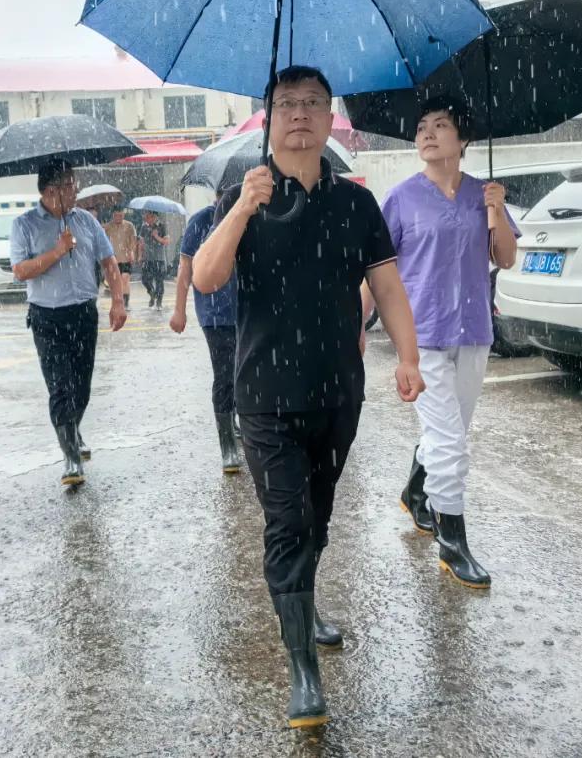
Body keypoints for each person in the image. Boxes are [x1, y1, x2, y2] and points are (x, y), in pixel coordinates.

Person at [192, 66, 425, 730]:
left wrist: (408, 356)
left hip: (337, 392)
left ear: (329, 120)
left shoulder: (355, 203)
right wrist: (243, 208)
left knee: (317, 518)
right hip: (264, 395)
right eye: (287, 103)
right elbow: (207, 278)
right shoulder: (244, 194)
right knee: (287, 523)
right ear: (269, 119)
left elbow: (387, 286)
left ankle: (305, 606)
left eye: (313, 104)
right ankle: (303, 670)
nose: (300, 113)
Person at [363, 95, 518, 590]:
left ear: (463, 138)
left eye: (441, 125)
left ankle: (415, 493)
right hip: (422, 335)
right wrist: (355, 326)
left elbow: (505, 258)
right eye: (422, 127)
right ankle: (453, 544)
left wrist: (496, 211)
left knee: (448, 433)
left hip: (473, 332)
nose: (427, 134)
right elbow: (377, 269)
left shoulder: (482, 194)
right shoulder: (402, 198)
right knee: (450, 442)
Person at [10, 160, 128, 487]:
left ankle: (72, 430)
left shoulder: (86, 221)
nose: (76, 191)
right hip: (47, 317)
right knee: (60, 386)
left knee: (81, 386)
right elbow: (20, 271)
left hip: (83, 314)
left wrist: (118, 301)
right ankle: (71, 457)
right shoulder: (24, 225)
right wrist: (58, 251)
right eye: (71, 185)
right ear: (52, 190)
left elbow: (109, 261)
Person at [170, 196, 243, 474]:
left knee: (244, 374)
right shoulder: (202, 221)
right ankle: (227, 445)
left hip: (247, 311)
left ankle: (236, 420)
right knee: (225, 375)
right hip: (216, 314)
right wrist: (179, 310)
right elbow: (185, 266)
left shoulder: (252, 215)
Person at [102, 207, 137, 310]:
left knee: (125, 279)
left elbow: (133, 240)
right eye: (116, 215)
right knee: (116, 283)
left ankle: (126, 303)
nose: (118, 218)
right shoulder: (108, 227)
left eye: (120, 215)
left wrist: (132, 251)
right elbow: (102, 241)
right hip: (113, 259)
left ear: (123, 215)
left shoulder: (129, 226)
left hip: (126, 258)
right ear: (113, 215)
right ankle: (118, 302)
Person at [137, 211, 170, 308]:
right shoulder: (144, 227)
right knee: (145, 279)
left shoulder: (162, 226)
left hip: (159, 258)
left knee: (159, 281)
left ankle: (159, 302)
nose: (147, 218)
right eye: (146, 217)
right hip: (147, 258)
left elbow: (166, 242)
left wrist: (156, 236)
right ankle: (152, 293)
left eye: (149, 217)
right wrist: (140, 255)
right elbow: (141, 243)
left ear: (155, 217)